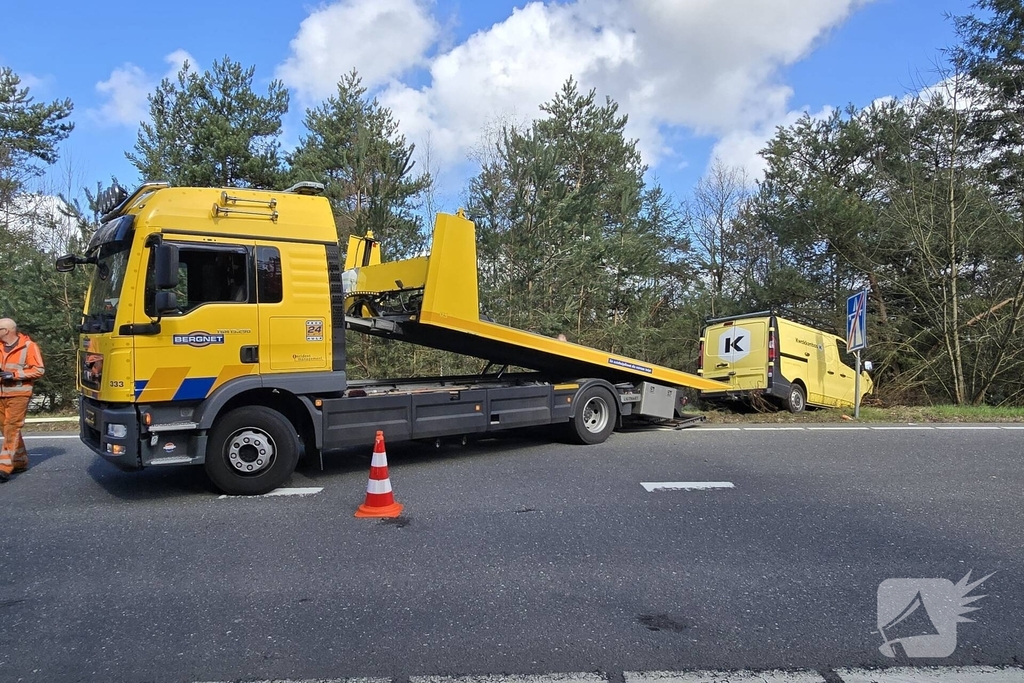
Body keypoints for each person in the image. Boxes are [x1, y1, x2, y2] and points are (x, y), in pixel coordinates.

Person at [0, 319, 45, 482]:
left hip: (19, 394)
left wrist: (14, 375)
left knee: (12, 428)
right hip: (1, 394)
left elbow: (39, 370)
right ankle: (19, 461)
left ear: (6, 330)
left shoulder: (29, 346)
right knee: (6, 429)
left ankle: (4, 467)